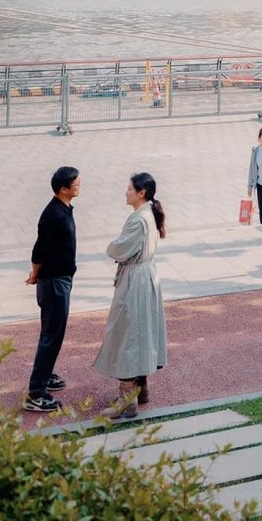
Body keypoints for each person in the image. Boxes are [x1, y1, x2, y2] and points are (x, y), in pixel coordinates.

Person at [94, 172, 168, 421]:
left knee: (126, 335)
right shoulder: (149, 214)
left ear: (141, 193)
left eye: (129, 189)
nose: (125, 192)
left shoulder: (138, 220)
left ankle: (127, 400)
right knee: (140, 332)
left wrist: (111, 248)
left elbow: (119, 248)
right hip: (146, 277)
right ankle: (141, 388)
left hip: (135, 281)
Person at [24, 165, 80, 413]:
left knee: (52, 333)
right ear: (64, 189)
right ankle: (36, 394)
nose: (80, 186)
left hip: (60, 280)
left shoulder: (64, 208)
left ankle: (45, 376)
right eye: (76, 184)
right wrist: (34, 275)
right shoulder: (52, 215)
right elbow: (39, 251)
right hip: (54, 283)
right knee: (51, 336)